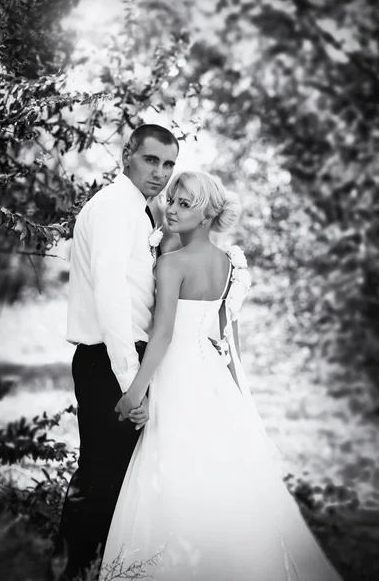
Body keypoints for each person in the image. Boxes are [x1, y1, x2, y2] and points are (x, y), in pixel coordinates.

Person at [99, 171, 344, 581]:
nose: (172, 209)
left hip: (176, 377)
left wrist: (133, 393)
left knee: (173, 468)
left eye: (184, 204)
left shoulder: (172, 264)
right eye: (172, 200)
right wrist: (235, 393)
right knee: (218, 467)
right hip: (209, 375)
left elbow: (162, 335)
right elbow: (228, 337)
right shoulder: (229, 262)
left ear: (208, 213)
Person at [55, 124, 179, 580]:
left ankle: (99, 568)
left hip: (123, 358)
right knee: (100, 478)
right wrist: (131, 384)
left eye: (169, 164)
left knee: (119, 480)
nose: (160, 173)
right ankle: (70, 570)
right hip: (108, 361)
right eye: (151, 160)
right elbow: (111, 296)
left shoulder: (139, 210)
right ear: (128, 154)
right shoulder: (112, 208)